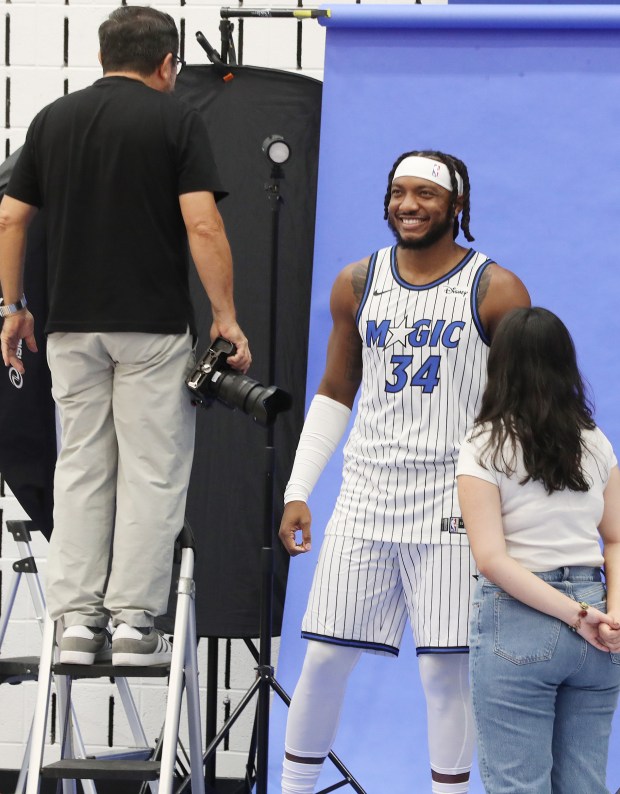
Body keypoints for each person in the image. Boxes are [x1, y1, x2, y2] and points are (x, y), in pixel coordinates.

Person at [0, 6, 251, 667]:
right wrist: (225, 315)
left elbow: (9, 218)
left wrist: (11, 307)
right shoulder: (176, 120)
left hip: (69, 329)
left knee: (80, 467)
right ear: (167, 63)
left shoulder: (53, 120)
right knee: (150, 470)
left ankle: (77, 623)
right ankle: (134, 623)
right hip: (152, 328)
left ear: (104, 53)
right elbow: (202, 226)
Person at [278, 150, 531, 794]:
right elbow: (335, 391)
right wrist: (299, 488)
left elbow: (520, 410)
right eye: (398, 192)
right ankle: (294, 788)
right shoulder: (356, 282)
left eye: (425, 194)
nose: (409, 205)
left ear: (456, 206)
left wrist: (514, 510)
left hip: (454, 500)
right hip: (366, 495)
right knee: (327, 656)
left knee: (447, 672)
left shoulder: (496, 290)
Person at [457, 306, 620, 794]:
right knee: (586, 786)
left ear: (499, 364)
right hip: (601, 628)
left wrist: (575, 616)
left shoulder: (483, 445)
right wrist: (609, 614)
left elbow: (492, 559)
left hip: (522, 625)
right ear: (565, 364)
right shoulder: (596, 442)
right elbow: (615, 536)